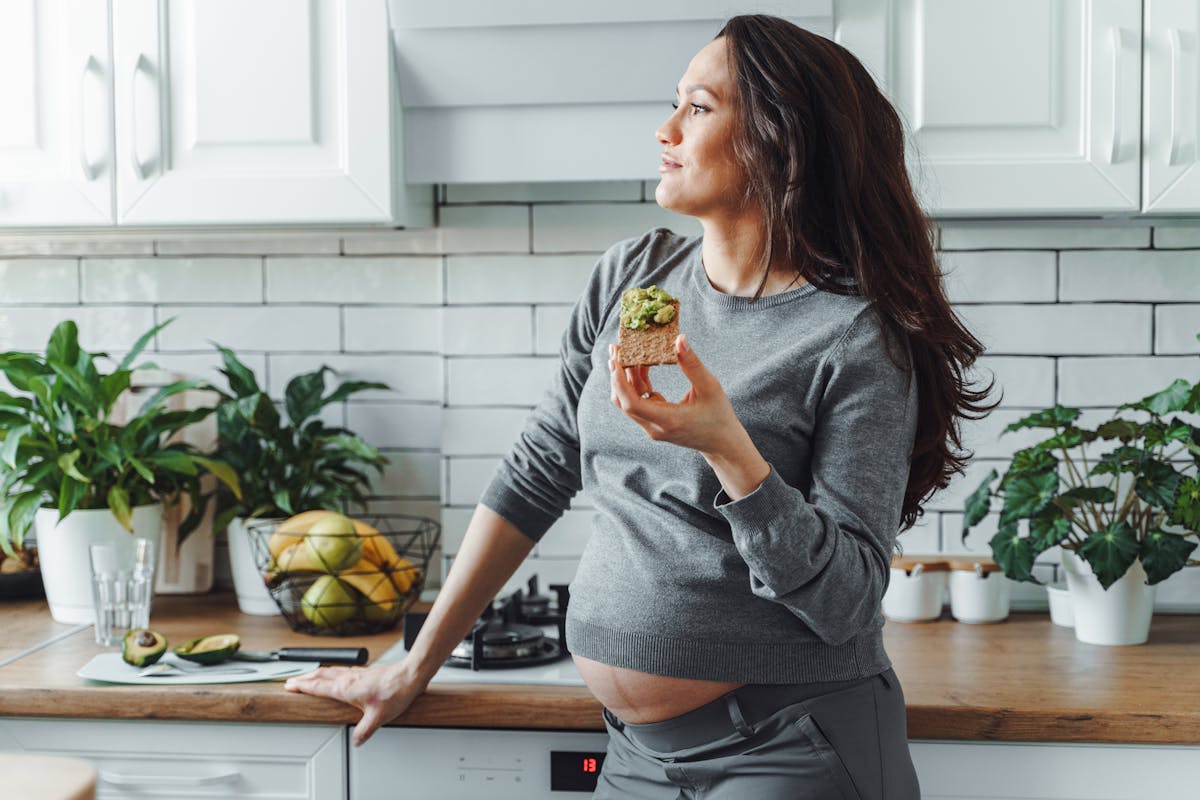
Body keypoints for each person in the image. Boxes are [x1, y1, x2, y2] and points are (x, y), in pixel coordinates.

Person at [285, 14, 997, 799]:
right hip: (634, 759)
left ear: (778, 140)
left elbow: (849, 598)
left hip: (788, 748)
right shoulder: (640, 282)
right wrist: (412, 664)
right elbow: (538, 470)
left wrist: (730, 448)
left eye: (697, 107)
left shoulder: (852, 336)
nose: (665, 130)